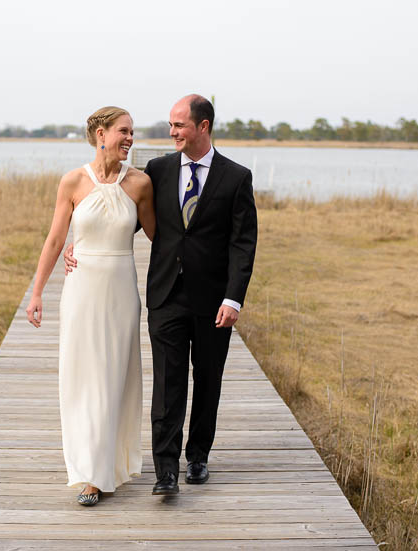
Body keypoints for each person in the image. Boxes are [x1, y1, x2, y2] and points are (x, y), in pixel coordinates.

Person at [66, 95, 257, 495]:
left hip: (213, 300)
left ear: (203, 127)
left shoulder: (236, 177)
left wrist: (233, 298)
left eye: (179, 126)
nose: (171, 132)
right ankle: (166, 470)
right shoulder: (158, 170)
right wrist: (80, 243)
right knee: (168, 382)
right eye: (170, 125)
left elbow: (243, 244)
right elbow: (125, 218)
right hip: (165, 294)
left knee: (208, 379)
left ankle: (198, 456)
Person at [26, 106, 155, 506]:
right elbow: (53, 241)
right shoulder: (73, 181)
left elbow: (161, 239)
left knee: (114, 377)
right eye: (123, 131)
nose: (130, 138)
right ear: (101, 133)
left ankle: (109, 467)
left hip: (120, 291)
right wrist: (36, 293)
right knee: (82, 378)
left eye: (132, 132)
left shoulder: (140, 184)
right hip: (81, 290)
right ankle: (89, 472)